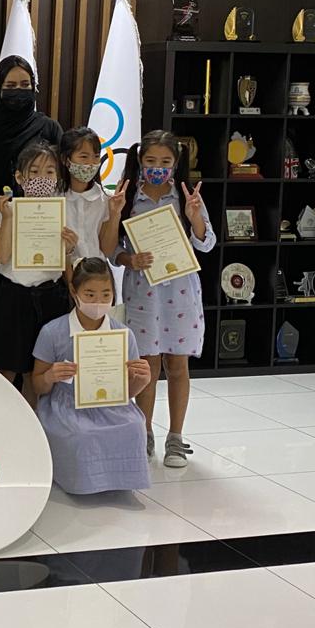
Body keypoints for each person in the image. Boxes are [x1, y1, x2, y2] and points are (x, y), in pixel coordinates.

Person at [115, 130, 214, 468]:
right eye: (151, 161)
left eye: (165, 162)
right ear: (140, 162)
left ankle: (176, 436)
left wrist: (194, 215)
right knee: (148, 366)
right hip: (143, 293)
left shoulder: (186, 196)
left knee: (177, 364)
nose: (158, 168)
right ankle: (143, 434)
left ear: (176, 164)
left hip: (181, 293)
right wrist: (131, 260)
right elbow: (113, 249)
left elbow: (206, 243)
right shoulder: (129, 197)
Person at [0, 56, 62, 359]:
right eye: (10, 86)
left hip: (40, 245)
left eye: (25, 85)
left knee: (35, 335)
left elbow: (62, 182)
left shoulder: (49, 130)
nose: (18, 91)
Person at [32, 258, 152, 494]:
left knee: (136, 424)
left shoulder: (122, 334)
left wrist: (141, 380)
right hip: (65, 404)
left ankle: (119, 482)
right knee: (81, 434)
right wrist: (50, 376)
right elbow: (37, 385)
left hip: (112, 404)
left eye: (106, 295)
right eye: (90, 294)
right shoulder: (53, 332)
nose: (98, 302)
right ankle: (82, 483)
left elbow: (126, 393)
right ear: (74, 291)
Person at [0, 140, 74, 405]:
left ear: (58, 176)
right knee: (6, 369)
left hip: (49, 296)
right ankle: (2, 426)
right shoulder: (7, 208)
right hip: (14, 297)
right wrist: (8, 219)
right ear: (19, 176)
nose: (42, 178)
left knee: (37, 371)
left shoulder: (61, 209)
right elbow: (1, 256)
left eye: (49, 172)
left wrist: (69, 249)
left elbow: (63, 264)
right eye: (34, 171)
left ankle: (35, 429)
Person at [59, 127, 127, 263]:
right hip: (61, 276)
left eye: (96, 156)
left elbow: (107, 250)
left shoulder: (106, 199)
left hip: (97, 275)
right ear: (66, 160)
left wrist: (114, 215)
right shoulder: (53, 198)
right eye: (84, 157)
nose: (91, 163)